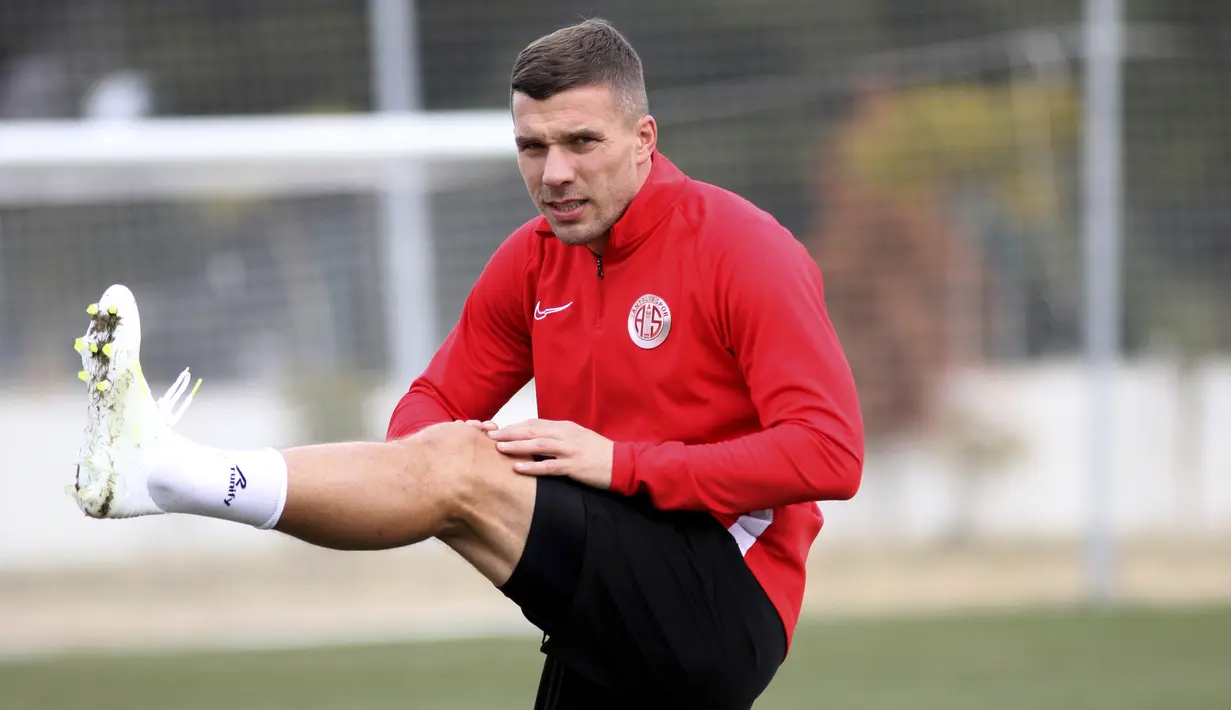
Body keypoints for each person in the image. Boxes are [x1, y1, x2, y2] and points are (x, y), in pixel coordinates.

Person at [69, 18, 864, 710]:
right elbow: (426, 406)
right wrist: (454, 471)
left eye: (581, 141)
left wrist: (618, 465)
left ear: (643, 140)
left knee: (458, 465)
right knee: (449, 454)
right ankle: (169, 476)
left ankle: (175, 475)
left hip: (721, 596)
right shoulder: (530, 261)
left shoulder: (743, 248)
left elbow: (830, 453)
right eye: (532, 146)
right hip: (601, 591)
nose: (554, 172)